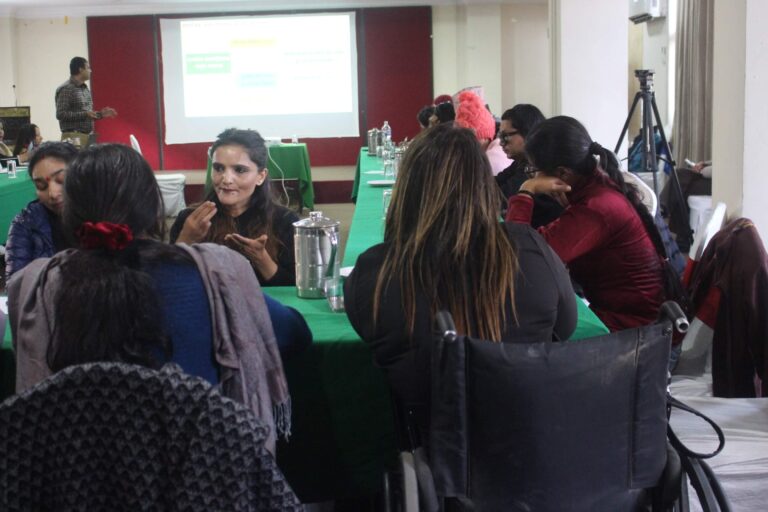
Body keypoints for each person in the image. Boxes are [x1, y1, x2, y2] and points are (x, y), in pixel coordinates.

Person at [7, 143, 310, 452]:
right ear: (153, 206)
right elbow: (294, 333)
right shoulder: (215, 273)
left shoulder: (38, 287)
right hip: (200, 468)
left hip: (78, 469)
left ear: (69, 212)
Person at [344, 123, 577, 435]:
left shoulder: (374, 272)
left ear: (407, 189)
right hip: (532, 441)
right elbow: (565, 327)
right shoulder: (529, 248)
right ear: (484, 185)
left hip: (432, 444)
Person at [506, 116, 680, 332]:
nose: (533, 176)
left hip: (636, 330)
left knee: (524, 328)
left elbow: (521, 258)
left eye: (533, 170)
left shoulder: (597, 208)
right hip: (631, 316)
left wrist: (526, 189)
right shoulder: (598, 184)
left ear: (562, 173)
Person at [170, 128, 299, 286]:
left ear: (260, 176)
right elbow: (170, 280)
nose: (226, 179)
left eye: (239, 170)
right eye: (218, 168)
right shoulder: (191, 219)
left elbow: (293, 288)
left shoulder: (285, 220)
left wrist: (262, 259)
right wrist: (186, 239)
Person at [5, 142, 78, 281]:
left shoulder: (103, 216)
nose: (52, 193)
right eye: (41, 185)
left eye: (61, 180)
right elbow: (17, 285)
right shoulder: (25, 223)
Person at [495, 104, 563, 227]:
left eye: (506, 136)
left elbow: (499, 198)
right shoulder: (521, 162)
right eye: (500, 136)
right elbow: (494, 183)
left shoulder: (536, 168)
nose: (501, 143)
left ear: (528, 133)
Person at [55, 56, 117, 148]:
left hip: (87, 136)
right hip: (73, 137)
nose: (90, 71)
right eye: (88, 68)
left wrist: (100, 114)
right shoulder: (67, 88)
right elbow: (61, 114)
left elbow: (86, 114)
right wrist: (85, 114)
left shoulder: (84, 89)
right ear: (80, 69)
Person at [454, 90, 511, 175]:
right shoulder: (494, 150)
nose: (464, 145)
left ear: (484, 138)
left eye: (469, 139)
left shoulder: (491, 160)